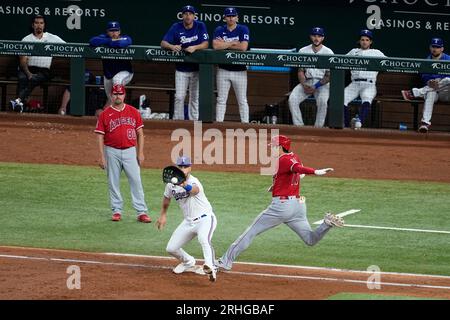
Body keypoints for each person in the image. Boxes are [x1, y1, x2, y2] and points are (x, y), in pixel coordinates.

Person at [216, 135, 344, 271]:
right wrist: (276, 185)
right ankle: (326, 224)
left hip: (282, 207)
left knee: (250, 232)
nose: (271, 149)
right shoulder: (294, 156)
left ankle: (225, 261)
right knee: (310, 239)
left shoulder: (283, 160)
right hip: (298, 206)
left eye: (273, 146)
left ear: (281, 147)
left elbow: (298, 169)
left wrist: (316, 172)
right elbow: (296, 173)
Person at [94, 84, 151, 223]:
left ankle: (141, 212)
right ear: (111, 96)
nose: (118, 96)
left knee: (136, 181)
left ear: (124, 95)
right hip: (111, 151)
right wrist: (101, 156)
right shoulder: (105, 114)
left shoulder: (133, 112)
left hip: (130, 151)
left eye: (120, 94)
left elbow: (140, 134)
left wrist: (140, 152)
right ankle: (117, 211)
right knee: (113, 182)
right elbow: (100, 136)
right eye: (115, 94)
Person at [156, 156, 218, 282]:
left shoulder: (194, 181)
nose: (183, 169)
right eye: (181, 166)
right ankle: (188, 261)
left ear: (190, 167)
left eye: (186, 166)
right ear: (177, 168)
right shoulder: (171, 185)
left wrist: (183, 184)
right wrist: (163, 214)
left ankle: (211, 267)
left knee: (203, 239)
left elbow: (194, 190)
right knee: (171, 248)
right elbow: (167, 198)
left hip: (205, 219)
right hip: (188, 222)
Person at [161, 5, 209, 121]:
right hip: (181, 69)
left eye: (190, 14)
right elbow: (163, 43)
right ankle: (178, 121)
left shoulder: (200, 25)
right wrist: (172, 46)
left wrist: (195, 47)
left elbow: (206, 43)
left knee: (194, 97)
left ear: (194, 16)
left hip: (196, 69)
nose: (188, 16)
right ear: (182, 16)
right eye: (186, 14)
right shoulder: (176, 26)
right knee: (179, 97)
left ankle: (194, 121)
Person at [10, 14, 65, 113]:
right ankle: (21, 105)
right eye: (36, 23)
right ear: (32, 25)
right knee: (23, 78)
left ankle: (18, 101)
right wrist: (28, 74)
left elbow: (68, 48)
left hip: (44, 70)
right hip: (28, 68)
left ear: (44, 25)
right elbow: (23, 61)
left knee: (35, 78)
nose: (39, 25)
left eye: (41, 23)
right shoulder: (26, 39)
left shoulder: (53, 38)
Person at [401, 38, 450, 133]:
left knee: (448, 80)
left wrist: (438, 82)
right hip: (433, 91)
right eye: (433, 47)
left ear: (442, 49)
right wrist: (429, 82)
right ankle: (425, 124)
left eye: (437, 47)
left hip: (446, 93)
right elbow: (424, 77)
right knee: (430, 93)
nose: (435, 49)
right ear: (430, 47)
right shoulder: (426, 61)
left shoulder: (448, 59)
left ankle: (414, 93)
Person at [288, 27, 334, 127]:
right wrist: (304, 85)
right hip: (307, 81)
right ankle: (299, 126)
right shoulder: (303, 50)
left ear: (323, 38)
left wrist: (316, 86)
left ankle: (318, 127)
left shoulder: (329, 52)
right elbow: (300, 71)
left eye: (319, 36)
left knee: (322, 101)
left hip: (322, 83)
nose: (316, 38)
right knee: (292, 99)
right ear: (310, 37)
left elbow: (328, 75)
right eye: (314, 36)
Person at [213, 7, 250, 123]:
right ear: (224, 18)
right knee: (221, 99)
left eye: (233, 16)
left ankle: (245, 124)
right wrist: (232, 43)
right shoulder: (219, 29)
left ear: (237, 17)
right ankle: (219, 123)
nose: (231, 18)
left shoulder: (243, 29)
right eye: (228, 16)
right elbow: (215, 46)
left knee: (242, 100)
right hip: (223, 69)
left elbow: (243, 47)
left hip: (240, 70)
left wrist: (224, 44)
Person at [343, 29, 385, 128]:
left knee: (366, 100)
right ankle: (346, 124)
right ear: (359, 41)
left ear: (370, 42)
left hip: (369, 84)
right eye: (362, 39)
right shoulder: (353, 52)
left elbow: (387, 64)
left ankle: (359, 121)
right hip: (354, 84)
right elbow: (341, 61)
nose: (364, 42)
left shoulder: (376, 53)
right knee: (342, 99)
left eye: (367, 40)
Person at [89, 21, 134, 110]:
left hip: (125, 72)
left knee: (117, 80)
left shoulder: (125, 38)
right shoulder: (103, 37)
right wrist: (110, 41)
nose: (114, 33)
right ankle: (114, 116)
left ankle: (122, 112)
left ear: (119, 31)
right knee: (111, 98)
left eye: (116, 31)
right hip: (108, 74)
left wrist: (107, 42)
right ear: (107, 32)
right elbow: (92, 41)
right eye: (111, 31)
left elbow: (121, 44)